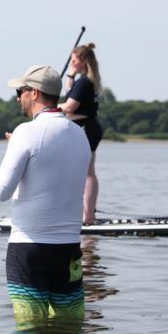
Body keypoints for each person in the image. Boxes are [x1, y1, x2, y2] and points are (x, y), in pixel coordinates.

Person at [0, 65, 90, 322]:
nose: (18, 97)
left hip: (29, 249)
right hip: (69, 249)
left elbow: (2, 191)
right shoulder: (80, 135)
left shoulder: (25, 132)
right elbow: (52, 182)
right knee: (68, 330)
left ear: (35, 93)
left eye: (21, 91)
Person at [61, 43, 103, 225]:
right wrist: (70, 75)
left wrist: (50, 109)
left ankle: (87, 217)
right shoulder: (87, 81)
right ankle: (87, 215)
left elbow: (69, 106)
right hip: (88, 127)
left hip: (85, 128)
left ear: (83, 61)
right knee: (87, 172)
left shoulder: (84, 82)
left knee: (87, 173)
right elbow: (70, 93)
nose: (71, 63)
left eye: (74, 60)